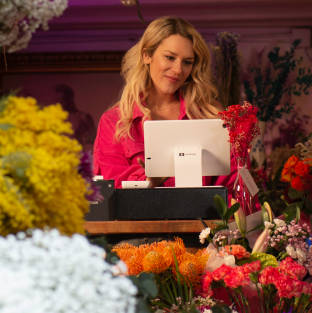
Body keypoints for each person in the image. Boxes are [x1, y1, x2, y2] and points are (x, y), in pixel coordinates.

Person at [93, 16, 231, 188]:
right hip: (140, 215)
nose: (178, 70)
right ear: (146, 56)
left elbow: (232, 190)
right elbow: (110, 192)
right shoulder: (114, 122)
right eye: (170, 57)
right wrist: (147, 182)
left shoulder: (210, 117)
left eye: (187, 62)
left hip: (203, 215)